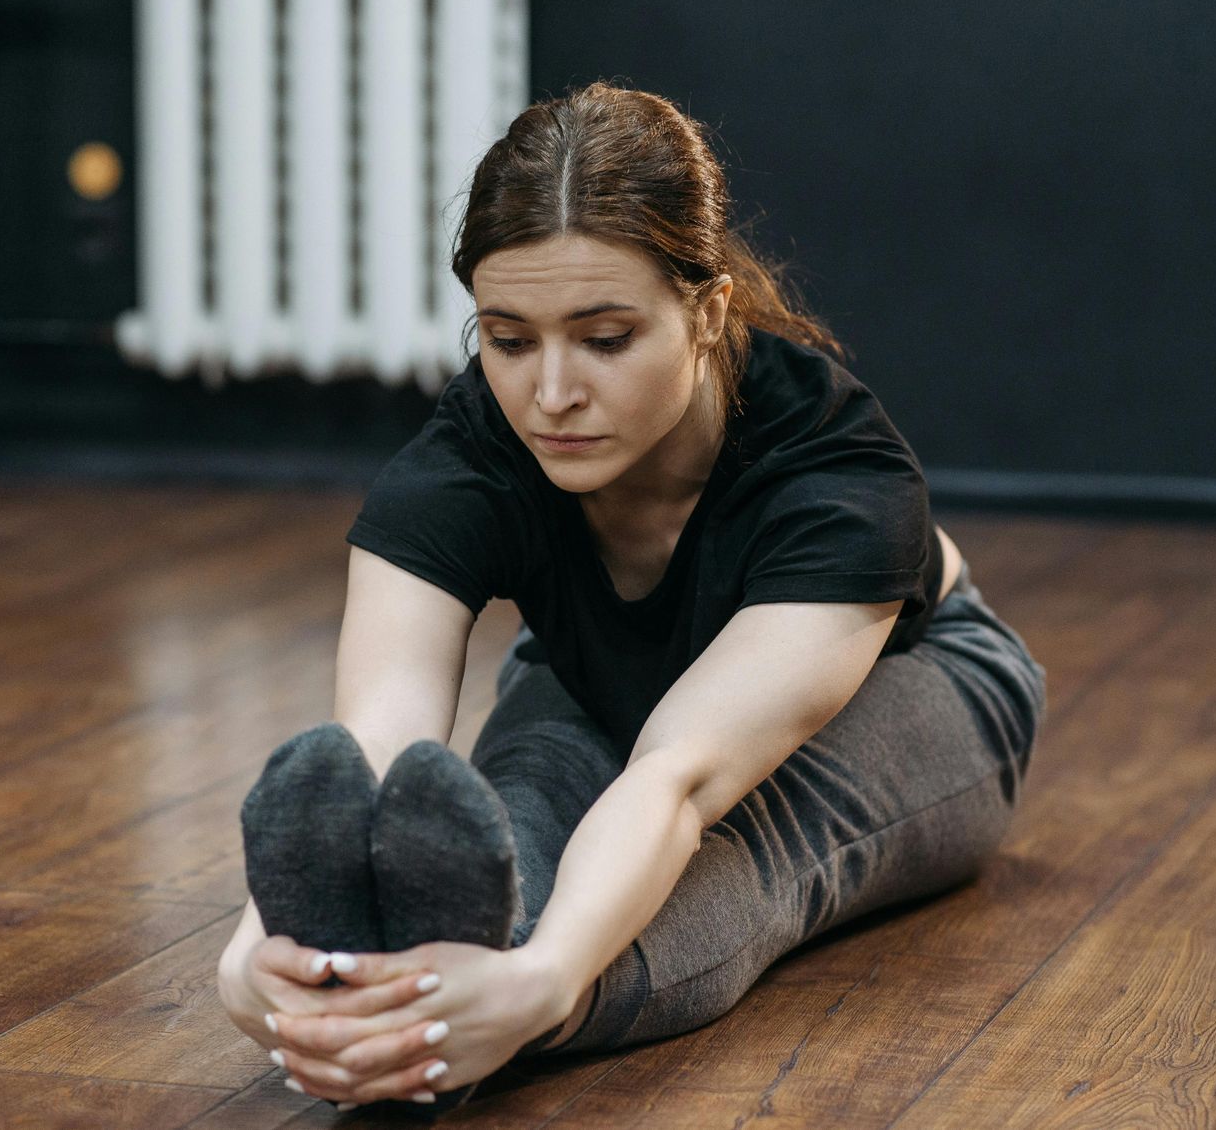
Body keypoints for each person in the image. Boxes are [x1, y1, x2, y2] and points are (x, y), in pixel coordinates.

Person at [215, 81, 1048, 1114]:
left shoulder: (839, 474)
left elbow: (681, 777)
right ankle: (422, 987)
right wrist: (254, 958)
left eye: (604, 338)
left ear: (705, 312)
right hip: (593, 666)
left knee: (747, 847)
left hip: (910, 675)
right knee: (499, 808)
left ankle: (487, 1024)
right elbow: (373, 750)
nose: (551, 392)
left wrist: (543, 983)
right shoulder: (471, 454)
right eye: (509, 340)